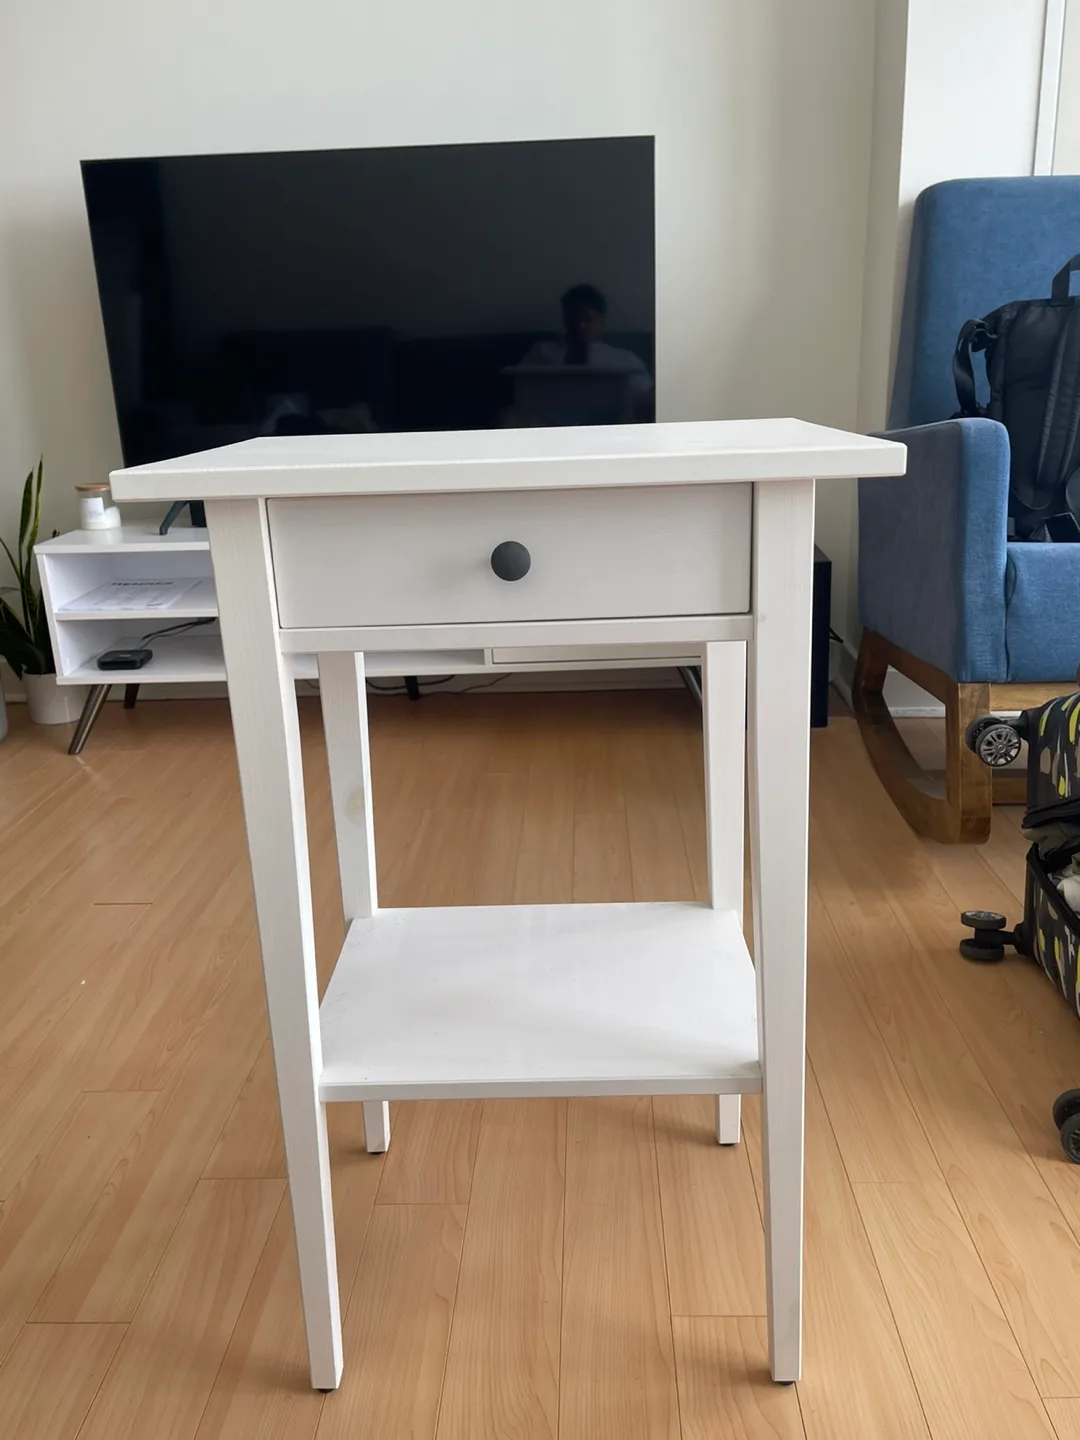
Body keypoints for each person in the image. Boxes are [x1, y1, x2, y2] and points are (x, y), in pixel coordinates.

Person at [522, 284, 654, 416]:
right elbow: (521, 391)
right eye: (573, 318)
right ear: (565, 319)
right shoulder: (542, 351)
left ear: (601, 321)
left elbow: (646, 398)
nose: (580, 325)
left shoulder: (625, 358)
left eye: (587, 318)